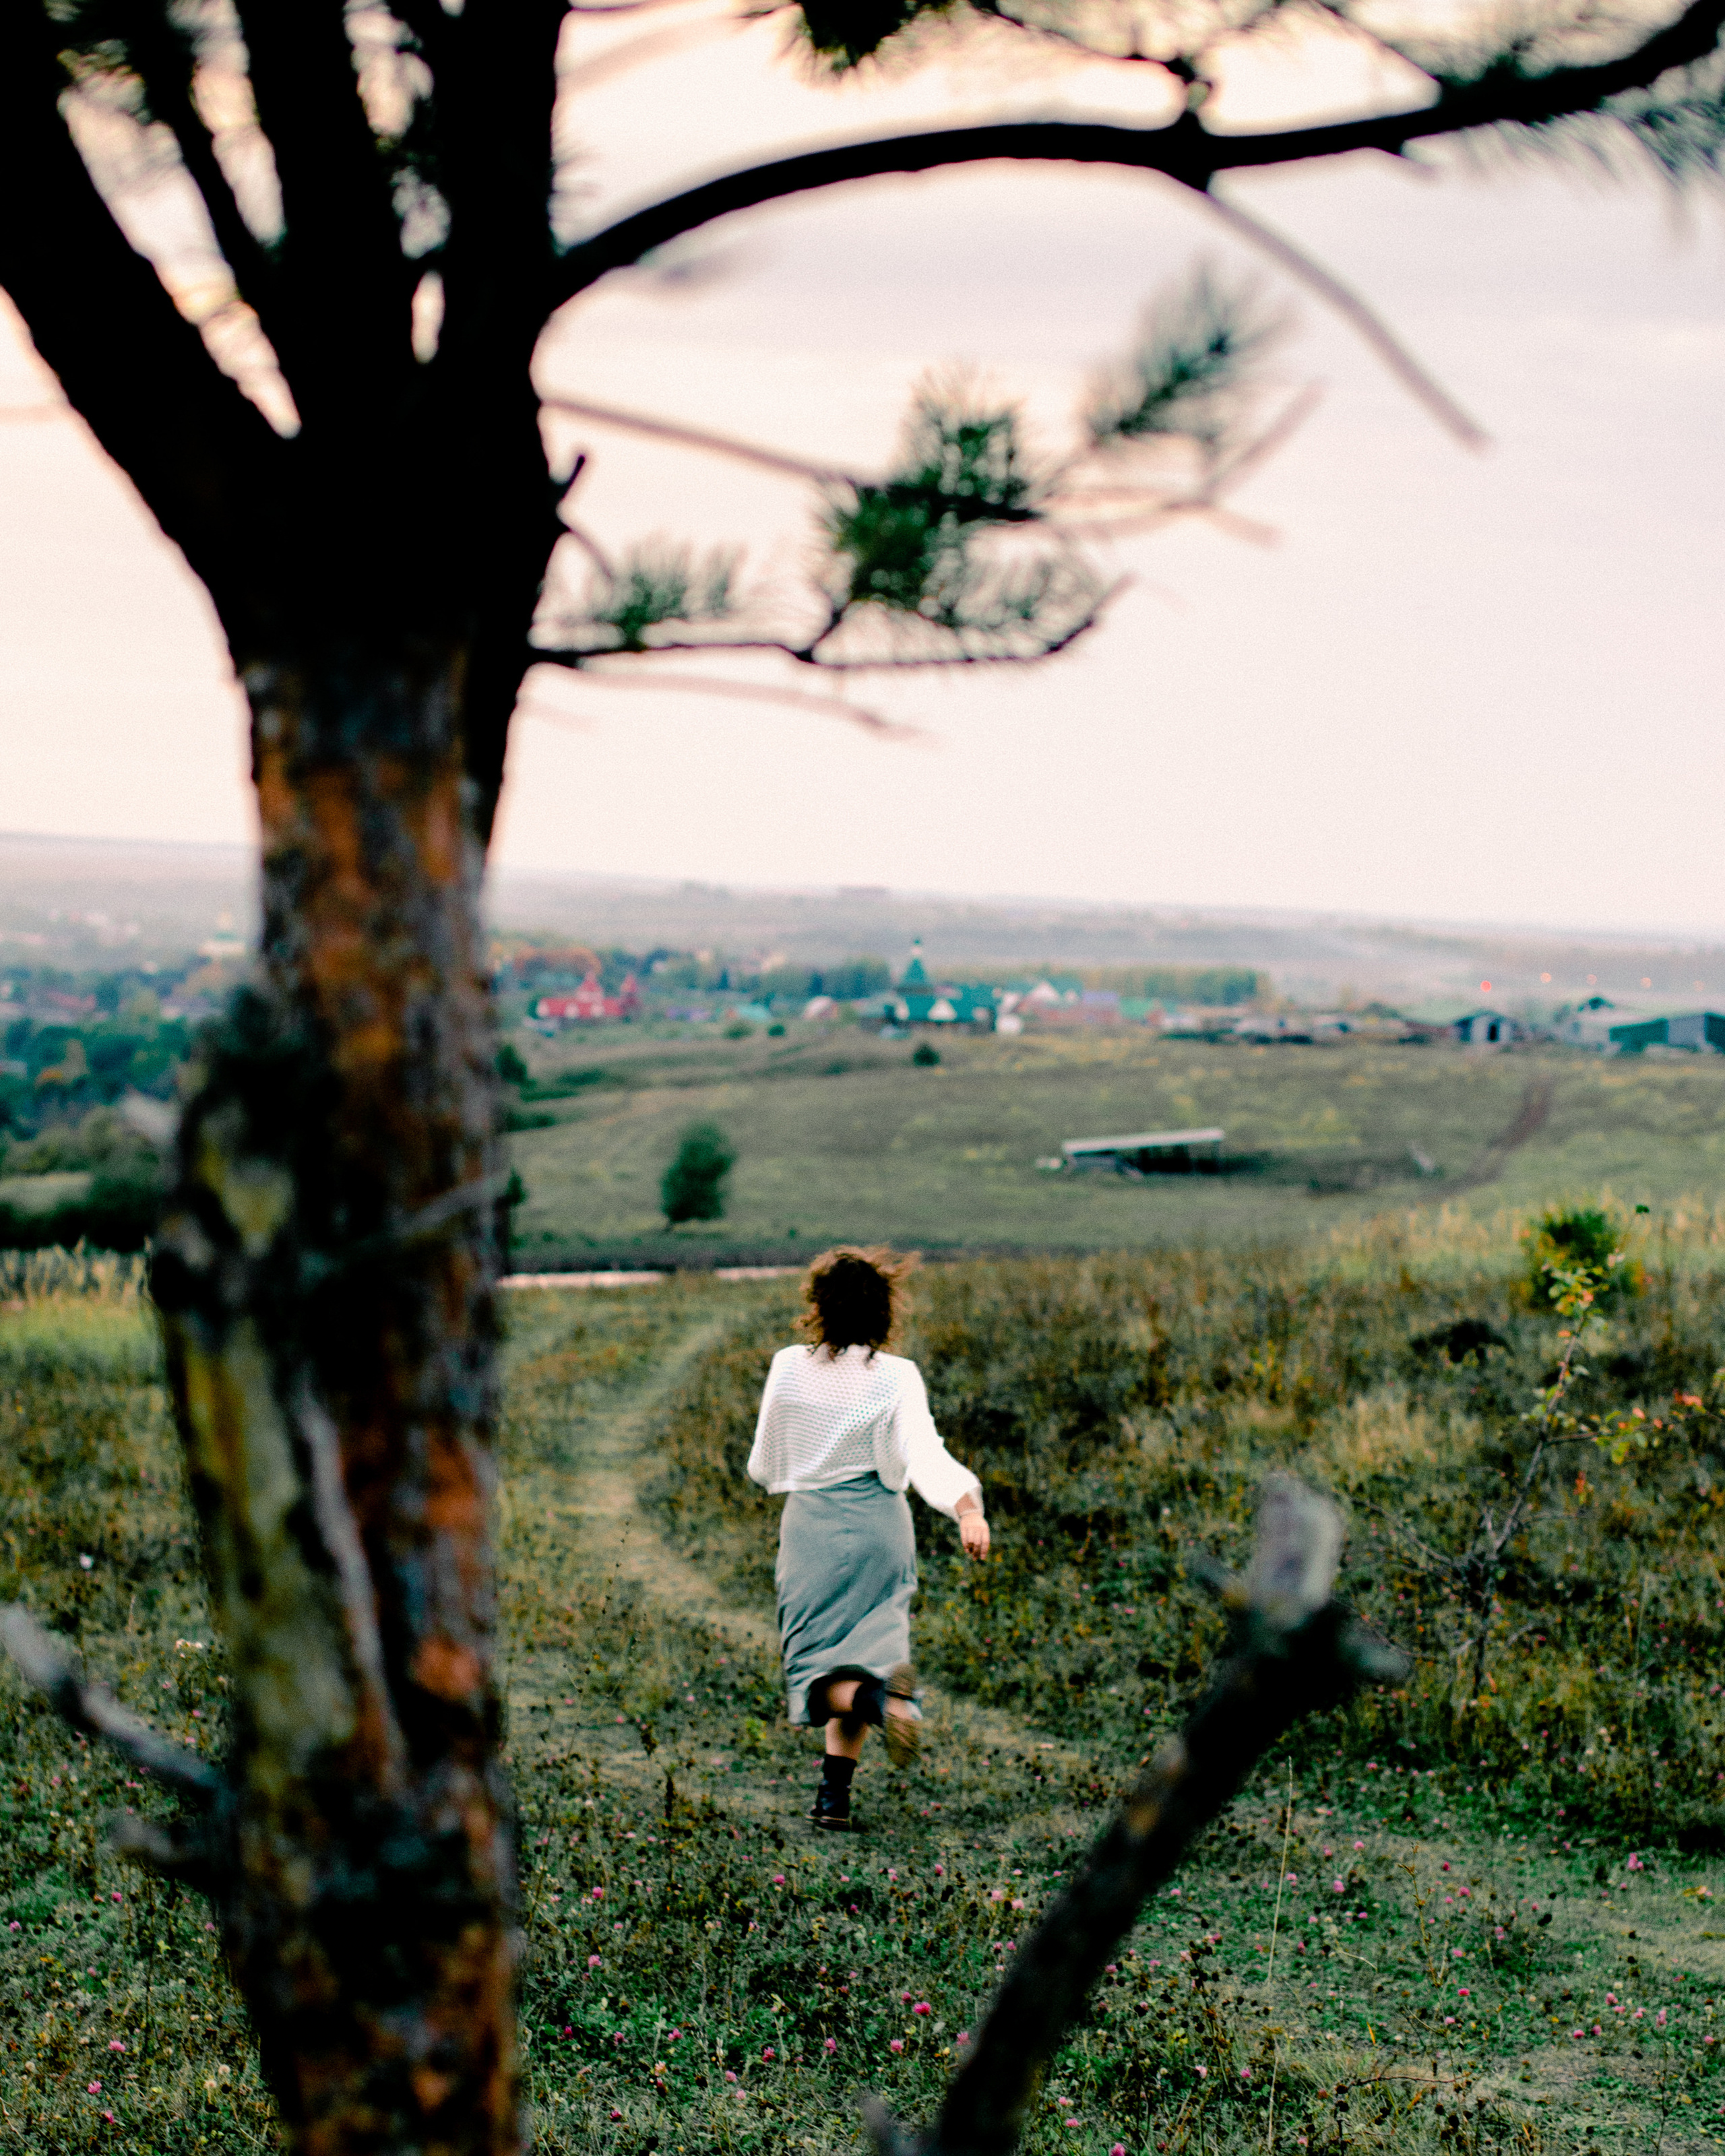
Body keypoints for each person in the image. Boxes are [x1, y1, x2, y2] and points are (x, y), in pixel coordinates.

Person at [747, 1245, 989, 1832]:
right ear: (885, 1308)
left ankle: (884, 1705)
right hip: (884, 1528)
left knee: (814, 1675)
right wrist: (966, 1509)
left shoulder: (788, 1365)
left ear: (818, 1306)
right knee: (859, 1659)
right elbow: (925, 1454)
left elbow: (763, 1463)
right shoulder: (898, 1377)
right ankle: (834, 1798)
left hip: (815, 1533)